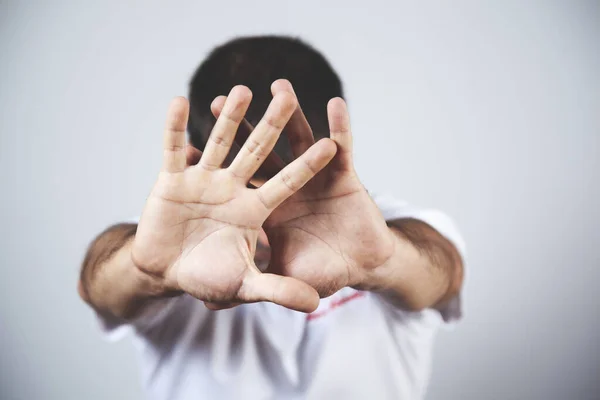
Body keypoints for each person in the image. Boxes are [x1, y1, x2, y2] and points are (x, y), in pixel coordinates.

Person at [78, 35, 465, 399]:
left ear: (328, 151)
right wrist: (147, 271)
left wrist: (386, 261)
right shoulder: (170, 239)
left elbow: (442, 276)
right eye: (251, 188)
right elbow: (100, 287)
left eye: (289, 187)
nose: (266, 217)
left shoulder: (386, 229)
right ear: (199, 156)